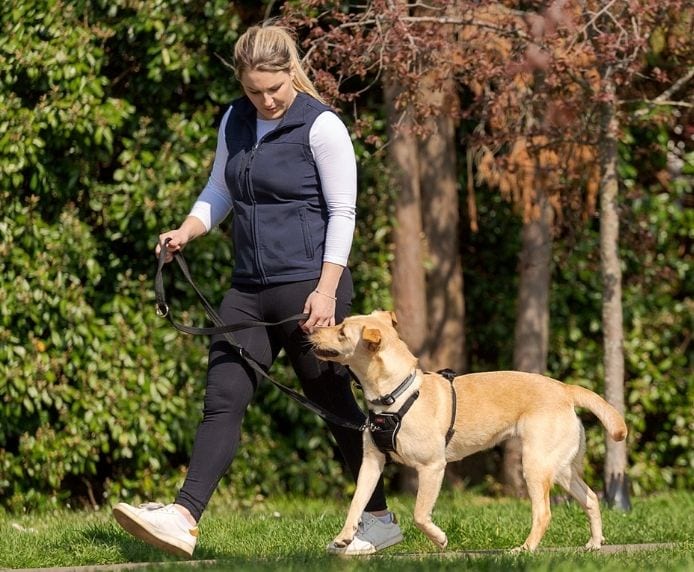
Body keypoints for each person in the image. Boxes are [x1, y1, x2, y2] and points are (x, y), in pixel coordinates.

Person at [112, 23, 403, 558]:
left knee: (332, 399)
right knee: (223, 398)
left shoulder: (322, 127)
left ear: (292, 73)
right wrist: (187, 231)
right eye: (254, 90)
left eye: (275, 88)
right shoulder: (235, 119)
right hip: (248, 287)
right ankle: (184, 517)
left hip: (311, 288)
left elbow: (343, 212)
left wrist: (326, 291)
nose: (266, 100)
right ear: (242, 84)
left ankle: (379, 518)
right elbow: (220, 187)